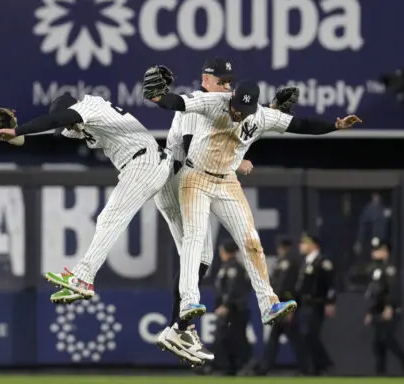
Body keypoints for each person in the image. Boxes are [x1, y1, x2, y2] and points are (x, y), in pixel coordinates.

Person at [143, 67, 361, 332]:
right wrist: (158, 98)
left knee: (251, 241)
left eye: (243, 111)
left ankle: (269, 303)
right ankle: (189, 302)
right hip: (195, 177)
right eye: (236, 107)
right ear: (232, 98)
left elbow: (300, 125)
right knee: (195, 238)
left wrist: (335, 126)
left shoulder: (261, 116)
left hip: (226, 182)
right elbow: (179, 102)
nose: (237, 113)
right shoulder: (216, 102)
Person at [0, 93, 172, 302]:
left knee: (109, 219)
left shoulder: (90, 107)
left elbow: (55, 120)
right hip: (152, 163)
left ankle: (83, 277)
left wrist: (17, 130)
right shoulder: (83, 121)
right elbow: (54, 129)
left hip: (145, 163)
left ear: (72, 110)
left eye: (70, 122)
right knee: (187, 233)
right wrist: (17, 137)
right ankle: (185, 309)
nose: (71, 129)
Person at [154, 58, 253, 365]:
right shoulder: (198, 103)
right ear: (205, 80)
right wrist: (235, 162)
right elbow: (189, 144)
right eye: (221, 81)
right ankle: (178, 327)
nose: (226, 87)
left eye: (229, 82)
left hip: (179, 179)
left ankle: (179, 326)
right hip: (176, 178)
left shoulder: (216, 106)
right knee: (199, 257)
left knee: (198, 257)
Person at [259, 236, 308, 375]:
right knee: (275, 338)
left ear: (283, 247)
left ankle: (306, 368)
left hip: (285, 305)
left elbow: (287, 286)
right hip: (280, 306)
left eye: (280, 247)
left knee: (295, 338)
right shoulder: (285, 260)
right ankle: (265, 367)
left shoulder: (289, 261)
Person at [364, 241, 404, 375]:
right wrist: (370, 311)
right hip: (378, 308)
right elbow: (375, 293)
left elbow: (392, 289)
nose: (374, 252)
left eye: (377, 250)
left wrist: (389, 306)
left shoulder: (389, 268)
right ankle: (380, 372)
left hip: (389, 308)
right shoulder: (375, 269)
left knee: (386, 338)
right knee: (378, 343)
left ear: (385, 251)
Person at [296, 233, 336, 375]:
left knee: (310, 334)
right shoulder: (306, 262)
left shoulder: (322, 262)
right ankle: (315, 368)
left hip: (317, 303)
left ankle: (325, 362)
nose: (301, 246)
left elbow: (331, 284)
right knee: (306, 335)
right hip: (305, 304)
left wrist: (330, 302)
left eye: (304, 243)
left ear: (313, 245)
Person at [210, 240, 252, 375]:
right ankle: (230, 367)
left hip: (235, 310)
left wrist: (226, 305)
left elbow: (234, 289)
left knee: (235, 338)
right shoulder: (227, 266)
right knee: (228, 338)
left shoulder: (234, 267)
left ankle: (243, 365)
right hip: (231, 308)